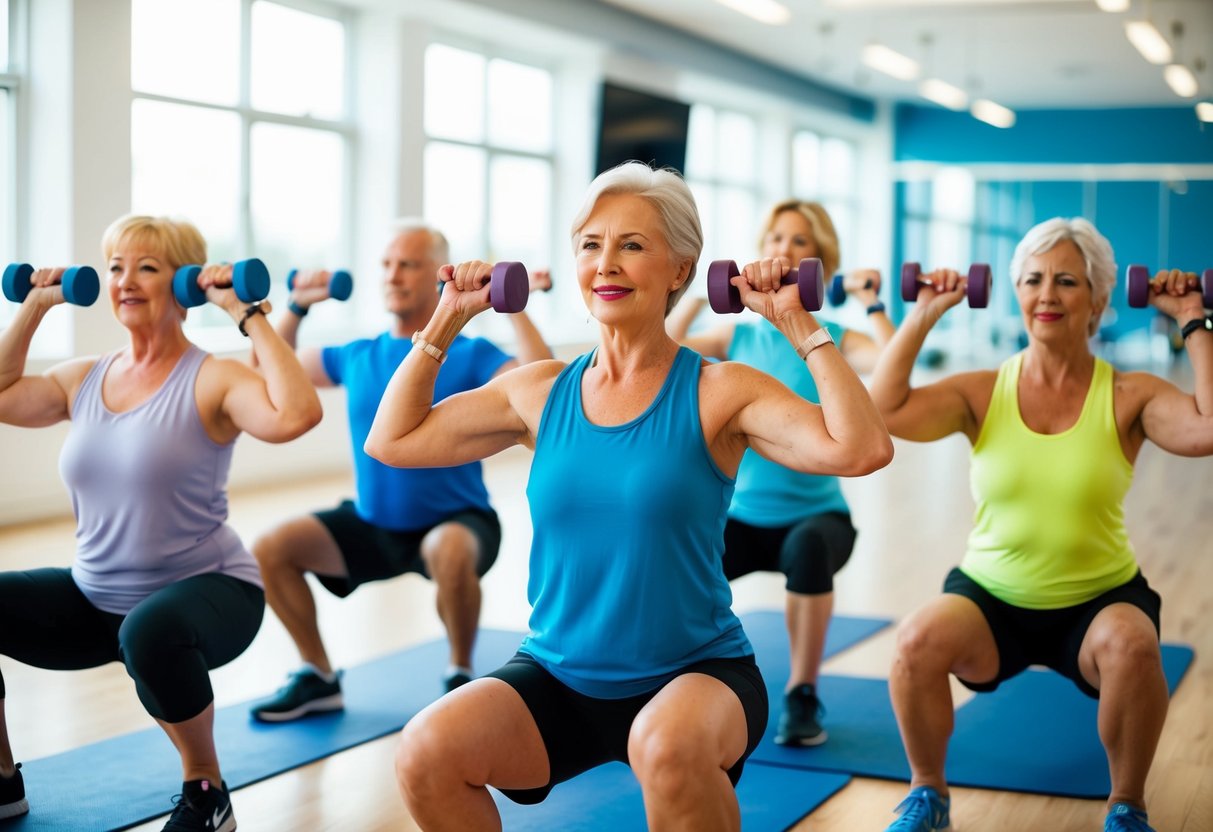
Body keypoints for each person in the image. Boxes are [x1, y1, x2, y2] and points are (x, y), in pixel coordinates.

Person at [364, 163, 893, 831]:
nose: (604, 264)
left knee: (665, 748)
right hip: (559, 673)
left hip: (696, 676)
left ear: (680, 269)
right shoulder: (538, 390)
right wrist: (444, 323)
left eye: (631, 245)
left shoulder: (719, 389)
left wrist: (796, 322)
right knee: (425, 753)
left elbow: (860, 449)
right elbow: (393, 440)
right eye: (590, 244)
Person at [868, 217, 1212, 832]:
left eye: (1066, 281)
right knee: (916, 641)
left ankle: (1126, 807)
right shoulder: (980, 392)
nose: (1047, 294)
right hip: (991, 597)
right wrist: (923, 313)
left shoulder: (1130, 394)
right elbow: (886, 409)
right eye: (1032, 280)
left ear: (1099, 302)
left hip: (1098, 598)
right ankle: (928, 796)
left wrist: (1193, 317)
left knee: (1135, 646)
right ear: (1016, 293)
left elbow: (1208, 427)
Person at [0, 215, 323, 831]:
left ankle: (208, 792)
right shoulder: (81, 378)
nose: (125, 280)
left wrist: (244, 312)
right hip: (98, 599)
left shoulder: (215, 377)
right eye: (117, 266)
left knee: (148, 632)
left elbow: (297, 414)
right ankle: (1, 781)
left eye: (146, 267)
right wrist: (37, 305)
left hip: (212, 593)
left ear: (186, 283)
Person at [248, 220, 552, 722]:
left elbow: (545, 389)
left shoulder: (474, 354)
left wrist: (510, 304)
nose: (393, 275)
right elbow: (268, 369)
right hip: (374, 523)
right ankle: (318, 677)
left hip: (456, 521)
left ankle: (459, 674)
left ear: (439, 276)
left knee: (449, 551)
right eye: (387, 265)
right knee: (270, 549)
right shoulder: (358, 354)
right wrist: (297, 307)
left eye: (408, 264)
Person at [666, 198, 894, 746]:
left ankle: (802, 692)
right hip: (741, 518)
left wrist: (874, 303)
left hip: (816, 519)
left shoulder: (832, 337)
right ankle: (675, 681)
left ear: (819, 263)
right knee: (675, 550)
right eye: (774, 240)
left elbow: (894, 366)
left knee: (809, 551)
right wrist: (699, 294)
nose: (782, 251)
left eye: (798, 243)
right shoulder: (734, 338)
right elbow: (663, 352)